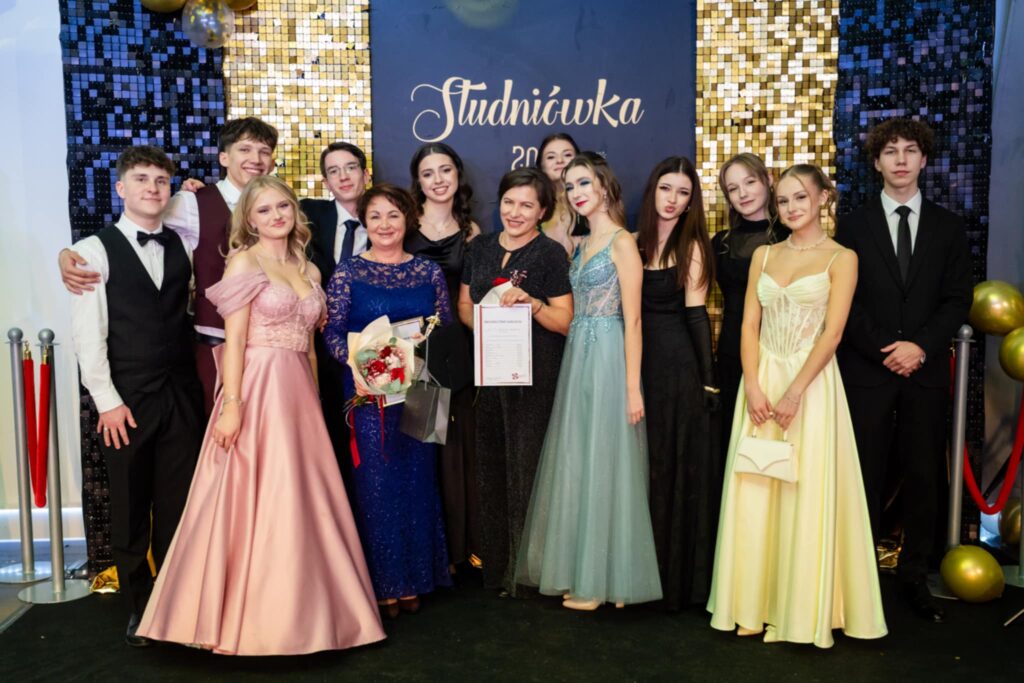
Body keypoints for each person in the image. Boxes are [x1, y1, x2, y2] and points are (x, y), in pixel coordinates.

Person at [136, 176, 385, 655]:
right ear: (249, 219)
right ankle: (247, 620)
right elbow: (234, 341)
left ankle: (313, 613)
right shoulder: (245, 261)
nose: (276, 216)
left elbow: (309, 347)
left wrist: (315, 399)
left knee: (304, 497)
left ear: (295, 211)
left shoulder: (309, 269)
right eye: (265, 210)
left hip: (299, 392)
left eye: (283, 207)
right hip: (257, 387)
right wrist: (232, 405)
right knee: (256, 494)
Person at [707, 164, 887, 648]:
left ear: (823, 197)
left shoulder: (842, 258)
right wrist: (753, 385)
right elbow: (748, 324)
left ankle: (799, 610)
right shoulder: (764, 255)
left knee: (802, 493)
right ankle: (750, 606)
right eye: (784, 200)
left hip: (811, 387)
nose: (791, 207)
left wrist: (794, 392)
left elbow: (833, 333)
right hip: (762, 381)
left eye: (800, 197)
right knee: (755, 490)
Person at [835, 118, 973, 623]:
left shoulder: (947, 227)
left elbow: (957, 298)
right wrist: (885, 350)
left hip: (925, 371)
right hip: (867, 372)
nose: (900, 159)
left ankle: (915, 576)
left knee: (922, 474)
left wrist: (920, 347)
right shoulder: (852, 227)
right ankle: (858, 577)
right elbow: (844, 301)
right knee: (864, 473)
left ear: (923, 159)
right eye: (890, 151)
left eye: (910, 150)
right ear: (876, 162)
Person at [68, 146, 204, 647]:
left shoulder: (183, 244)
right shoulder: (92, 250)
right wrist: (107, 401)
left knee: (178, 504)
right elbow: (88, 336)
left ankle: (175, 603)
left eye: (161, 181)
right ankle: (138, 606)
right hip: (125, 401)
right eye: (142, 179)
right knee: (128, 505)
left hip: (181, 395)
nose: (152, 188)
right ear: (121, 188)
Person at [516, 153, 662, 610]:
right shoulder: (579, 245)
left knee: (606, 459)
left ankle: (602, 583)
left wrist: (633, 386)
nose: (576, 193)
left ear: (604, 185)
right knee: (580, 458)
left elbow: (634, 320)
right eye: (570, 186)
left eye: (584, 183)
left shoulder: (622, 242)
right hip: (578, 353)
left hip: (610, 356)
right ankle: (584, 572)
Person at [60, 118, 279, 415]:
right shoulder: (191, 203)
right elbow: (140, 224)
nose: (256, 159)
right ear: (224, 157)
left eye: (264, 151)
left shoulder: (280, 206)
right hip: (215, 347)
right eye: (245, 149)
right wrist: (69, 253)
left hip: (273, 349)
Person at [324, 183, 453, 618]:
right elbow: (332, 332)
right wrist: (359, 367)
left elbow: (444, 329)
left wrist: (423, 351)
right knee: (376, 484)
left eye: (393, 215)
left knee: (420, 481)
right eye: (375, 215)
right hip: (369, 392)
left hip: (423, 389)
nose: (384, 224)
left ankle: (417, 578)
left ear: (408, 220)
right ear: (364, 221)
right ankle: (384, 583)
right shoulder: (348, 272)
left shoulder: (428, 272)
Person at [457, 168, 573, 596]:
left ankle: (529, 574)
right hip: (490, 375)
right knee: (491, 469)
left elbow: (566, 321)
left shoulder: (549, 254)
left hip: (534, 377)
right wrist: (489, 330)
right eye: (509, 202)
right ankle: (497, 570)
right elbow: (464, 305)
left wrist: (534, 305)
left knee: (528, 472)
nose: (515, 212)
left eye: (527, 205)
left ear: (543, 211)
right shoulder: (481, 247)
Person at [635, 156, 720, 610]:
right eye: (666, 188)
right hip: (636, 366)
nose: (672, 199)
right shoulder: (633, 242)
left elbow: (696, 316)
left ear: (691, 202)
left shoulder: (693, 247)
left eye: (683, 192)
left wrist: (707, 382)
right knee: (642, 468)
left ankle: (673, 583)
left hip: (676, 370)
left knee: (670, 466)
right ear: (653, 190)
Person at [405, 142, 481, 570]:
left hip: (456, 346)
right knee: (422, 443)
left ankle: (458, 550)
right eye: (428, 172)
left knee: (454, 445)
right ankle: (427, 551)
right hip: (413, 347)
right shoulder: (403, 223)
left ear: (457, 174)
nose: (438, 179)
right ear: (418, 181)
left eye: (445, 170)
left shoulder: (471, 231)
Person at [301, 141, 372, 486]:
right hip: (319, 350)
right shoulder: (307, 213)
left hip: (371, 344)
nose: (343, 176)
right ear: (326, 182)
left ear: (366, 174)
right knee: (327, 435)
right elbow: (258, 204)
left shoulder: (386, 217)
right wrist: (196, 193)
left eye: (351, 167)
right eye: (334, 171)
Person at [711, 153, 788, 458]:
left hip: (781, 353)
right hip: (733, 353)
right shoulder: (720, 243)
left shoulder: (791, 235)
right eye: (733, 188)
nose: (742, 193)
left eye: (750, 182)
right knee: (735, 443)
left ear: (768, 179)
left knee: (778, 442)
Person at [535, 132, 585, 257]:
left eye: (567, 155)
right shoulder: (533, 207)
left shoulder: (593, 204)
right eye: (551, 157)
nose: (560, 161)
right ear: (541, 166)